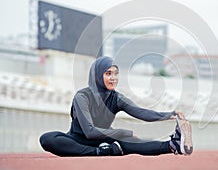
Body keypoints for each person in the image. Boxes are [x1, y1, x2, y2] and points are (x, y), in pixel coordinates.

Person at [39, 56, 193, 156]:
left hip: (107, 140)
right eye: (108, 74)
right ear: (97, 75)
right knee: (48, 139)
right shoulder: (82, 97)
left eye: (116, 73)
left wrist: (171, 115)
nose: (113, 78)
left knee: (135, 143)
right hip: (78, 141)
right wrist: (124, 132)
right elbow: (90, 132)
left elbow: (141, 112)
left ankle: (173, 145)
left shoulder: (117, 98)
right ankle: (99, 152)